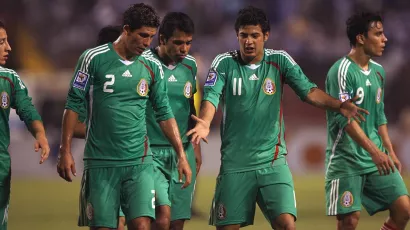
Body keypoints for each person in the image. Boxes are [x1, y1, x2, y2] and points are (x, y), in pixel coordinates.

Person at [187, 6, 367, 230]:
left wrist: (338, 105)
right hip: (235, 164)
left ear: (266, 36)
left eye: (255, 35)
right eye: (244, 35)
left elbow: (309, 91)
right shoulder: (223, 63)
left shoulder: (280, 60)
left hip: (272, 163)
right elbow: (211, 98)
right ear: (237, 36)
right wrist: (204, 122)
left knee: (286, 224)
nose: (249, 41)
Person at [57, 3, 192, 230]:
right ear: (126, 30)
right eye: (142, 35)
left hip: (139, 161)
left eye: (151, 37)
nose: (147, 43)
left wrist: (181, 154)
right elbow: (73, 102)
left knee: (142, 225)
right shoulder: (93, 59)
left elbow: (164, 112)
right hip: (101, 162)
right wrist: (65, 149)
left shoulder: (151, 66)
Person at [324, 12, 410, 230]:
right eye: (378, 34)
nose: (385, 39)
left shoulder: (379, 72)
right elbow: (345, 120)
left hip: (376, 157)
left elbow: (379, 116)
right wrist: (375, 152)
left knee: (403, 210)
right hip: (347, 159)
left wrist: (389, 150)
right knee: (349, 221)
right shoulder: (341, 71)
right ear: (361, 38)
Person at [117, 12, 201, 230]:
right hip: (149, 153)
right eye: (178, 42)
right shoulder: (143, 62)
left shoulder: (191, 66)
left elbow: (190, 106)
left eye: (188, 43)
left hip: (182, 152)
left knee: (176, 223)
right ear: (162, 39)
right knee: (159, 220)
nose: (184, 48)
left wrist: (195, 146)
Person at [0, 20, 50, 230]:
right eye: (2, 41)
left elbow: (27, 109)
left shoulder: (9, 79)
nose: (9, 47)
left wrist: (40, 134)